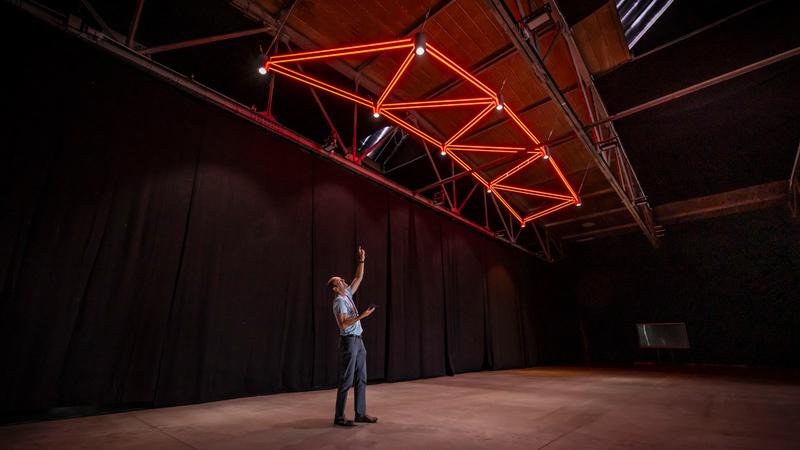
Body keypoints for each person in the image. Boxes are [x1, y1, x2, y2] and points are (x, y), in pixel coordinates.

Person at [327, 245, 377, 427]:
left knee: (361, 377)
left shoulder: (347, 294)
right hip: (349, 342)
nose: (343, 280)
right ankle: (339, 417)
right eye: (339, 280)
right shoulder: (339, 302)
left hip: (359, 341)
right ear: (334, 288)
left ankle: (360, 414)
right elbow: (342, 324)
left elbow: (358, 277)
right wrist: (361, 316)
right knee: (347, 379)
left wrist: (361, 260)